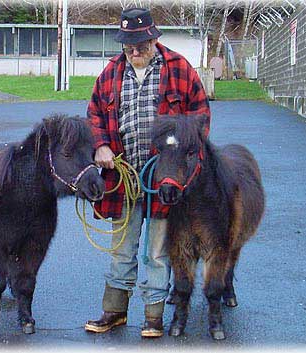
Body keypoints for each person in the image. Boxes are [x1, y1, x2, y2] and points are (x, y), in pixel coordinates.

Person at [85, 7, 211, 338]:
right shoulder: (111, 73)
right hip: (123, 178)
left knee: (157, 251)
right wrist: (100, 146)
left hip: (163, 181)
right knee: (122, 249)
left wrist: (181, 157)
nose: (135, 52)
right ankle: (114, 311)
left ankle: (154, 315)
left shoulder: (179, 68)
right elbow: (95, 114)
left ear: (154, 38)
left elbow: (200, 115)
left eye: (141, 45)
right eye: (129, 46)